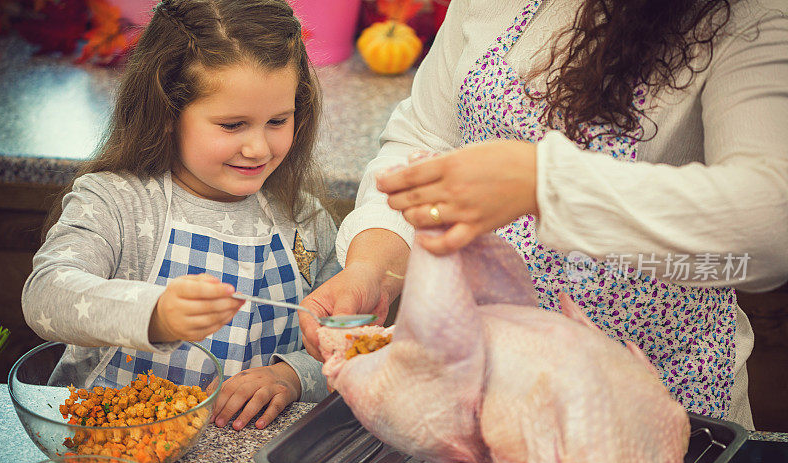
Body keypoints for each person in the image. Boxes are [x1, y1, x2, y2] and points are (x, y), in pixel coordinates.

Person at [300, 0, 788, 430]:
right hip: (479, 390)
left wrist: (544, 184)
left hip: (657, 399)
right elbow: (425, 142)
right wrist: (374, 267)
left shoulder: (748, 14)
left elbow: (768, 220)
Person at [22, 0, 340, 431]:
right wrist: (156, 314)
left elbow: (342, 343)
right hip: (111, 450)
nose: (259, 148)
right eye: (232, 125)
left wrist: (292, 376)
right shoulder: (118, 202)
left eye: (277, 120)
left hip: (244, 462)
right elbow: (44, 297)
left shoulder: (304, 216)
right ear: (167, 112)